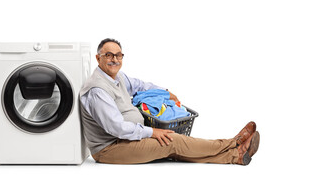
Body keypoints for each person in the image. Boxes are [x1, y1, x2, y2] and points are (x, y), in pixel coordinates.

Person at [79, 38, 260, 165]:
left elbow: (140, 85)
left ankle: (235, 156)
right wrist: (152, 132)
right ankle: (232, 143)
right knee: (172, 142)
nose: (115, 60)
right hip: (110, 148)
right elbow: (116, 128)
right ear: (98, 58)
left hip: (125, 140)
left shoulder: (117, 76)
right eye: (109, 55)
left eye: (119, 55)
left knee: (175, 148)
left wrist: (164, 92)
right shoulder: (97, 90)